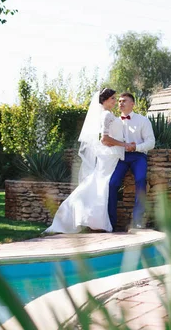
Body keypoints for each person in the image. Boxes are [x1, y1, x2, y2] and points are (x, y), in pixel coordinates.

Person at [45, 88, 131, 234]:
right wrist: (124, 145)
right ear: (104, 100)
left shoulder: (108, 114)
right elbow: (104, 139)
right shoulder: (105, 115)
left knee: (99, 185)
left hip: (112, 155)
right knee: (100, 186)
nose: (115, 101)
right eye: (112, 99)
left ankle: (92, 220)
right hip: (109, 156)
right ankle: (83, 217)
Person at [102, 92, 155, 230]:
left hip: (138, 156)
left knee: (141, 180)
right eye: (119, 101)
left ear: (133, 104)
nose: (120, 103)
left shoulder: (143, 120)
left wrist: (136, 147)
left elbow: (151, 142)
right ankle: (111, 222)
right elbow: (107, 140)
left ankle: (137, 221)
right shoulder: (114, 121)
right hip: (121, 157)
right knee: (112, 184)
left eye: (124, 101)